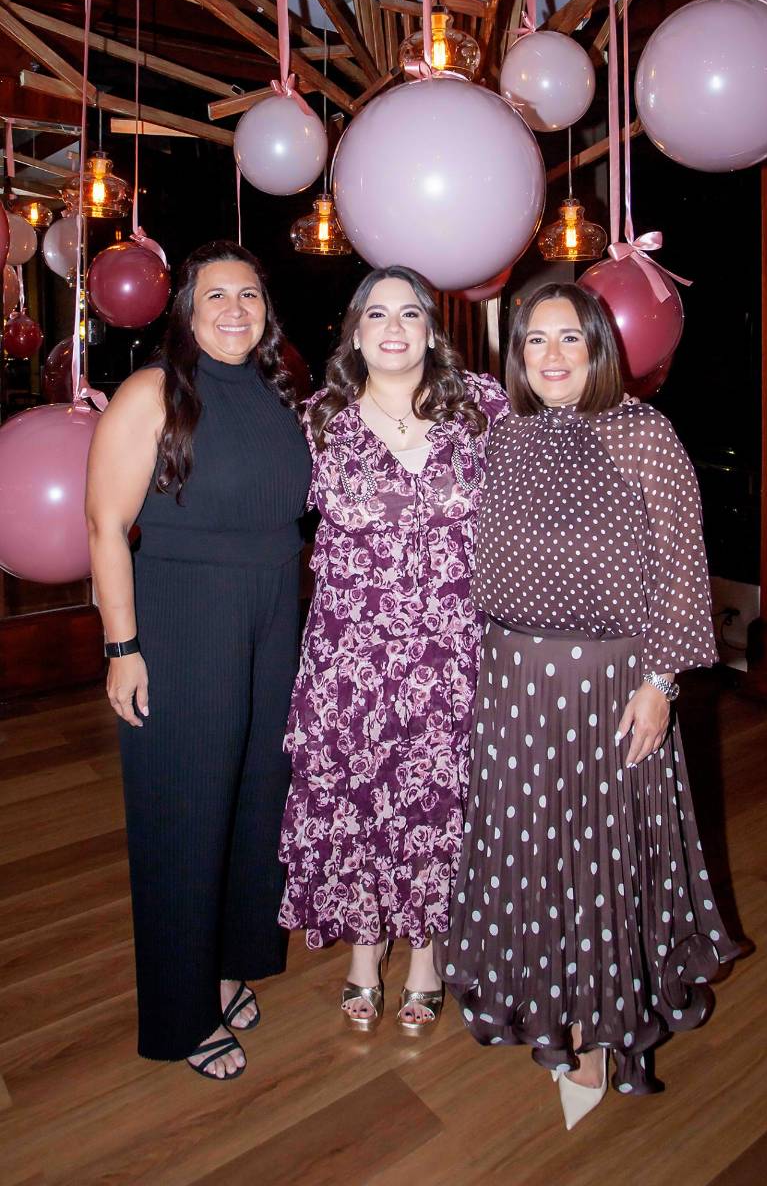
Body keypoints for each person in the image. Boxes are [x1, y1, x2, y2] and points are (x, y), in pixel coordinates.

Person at [437, 282, 739, 1127]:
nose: (554, 356)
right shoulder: (504, 436)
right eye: (536, 341)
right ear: (519, 357)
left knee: (604, 853)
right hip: (513, 682)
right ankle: (545, 1001)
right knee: (531, 849)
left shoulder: (643, 435)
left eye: (571, 338)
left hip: (612, 684)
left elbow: (683, 566)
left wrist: (660, 683)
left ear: (600, 347)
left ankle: (609, 1023)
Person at [86, 240, 311, 1080]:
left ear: (265, 311)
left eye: (248, 296)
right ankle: (181, 1015)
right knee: (183, 815)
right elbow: (105, 525)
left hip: (270, 619)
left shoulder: (277, 391)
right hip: (182, 620)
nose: (232, 310)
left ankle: (228, 963)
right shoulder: (153, 392)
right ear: (185, 309)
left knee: (256, 799)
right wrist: (123, 646)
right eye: (214, 296)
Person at [278, 265, 507, 1034]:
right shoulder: (316, 423)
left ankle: (427, 956)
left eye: (410, 313)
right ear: (355, 331)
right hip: (351, 654)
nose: (394, 327)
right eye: (377, 314)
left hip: (452, 651)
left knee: (440, 799)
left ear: (431, 329)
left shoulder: (480, 409)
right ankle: (364, 948)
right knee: (359, 794)